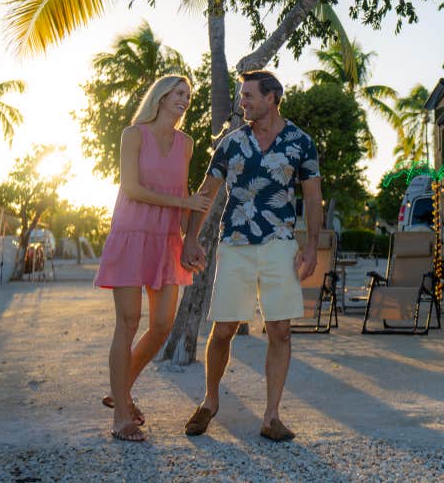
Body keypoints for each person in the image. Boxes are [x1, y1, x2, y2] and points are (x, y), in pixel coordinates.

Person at [181, 69, 322, 442]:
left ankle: (271, 416)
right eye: (241, 96)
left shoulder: (300, 142)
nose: (242, 102)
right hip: (236, 243)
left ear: (272, 97)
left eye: (248, 96)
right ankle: (210, 401)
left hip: (280, 244)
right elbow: (206, 193)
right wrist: (190, 238)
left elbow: (312, 198)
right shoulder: (230, 143)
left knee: (281, 330)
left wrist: (311, 247)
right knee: (224, 328)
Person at [94, 75, 211, 442]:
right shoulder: (134, 134)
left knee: (162, 324)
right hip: (131, 234)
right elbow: (132, 187)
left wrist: (190, 242)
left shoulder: (186, 144)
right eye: (179, 93)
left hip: (165, 239)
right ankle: (121, 419)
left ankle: (121, 390)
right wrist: (183, 203)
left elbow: (183, 191)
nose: (185, 100)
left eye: (188, 96)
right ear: (160, 96)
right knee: (127, 322)